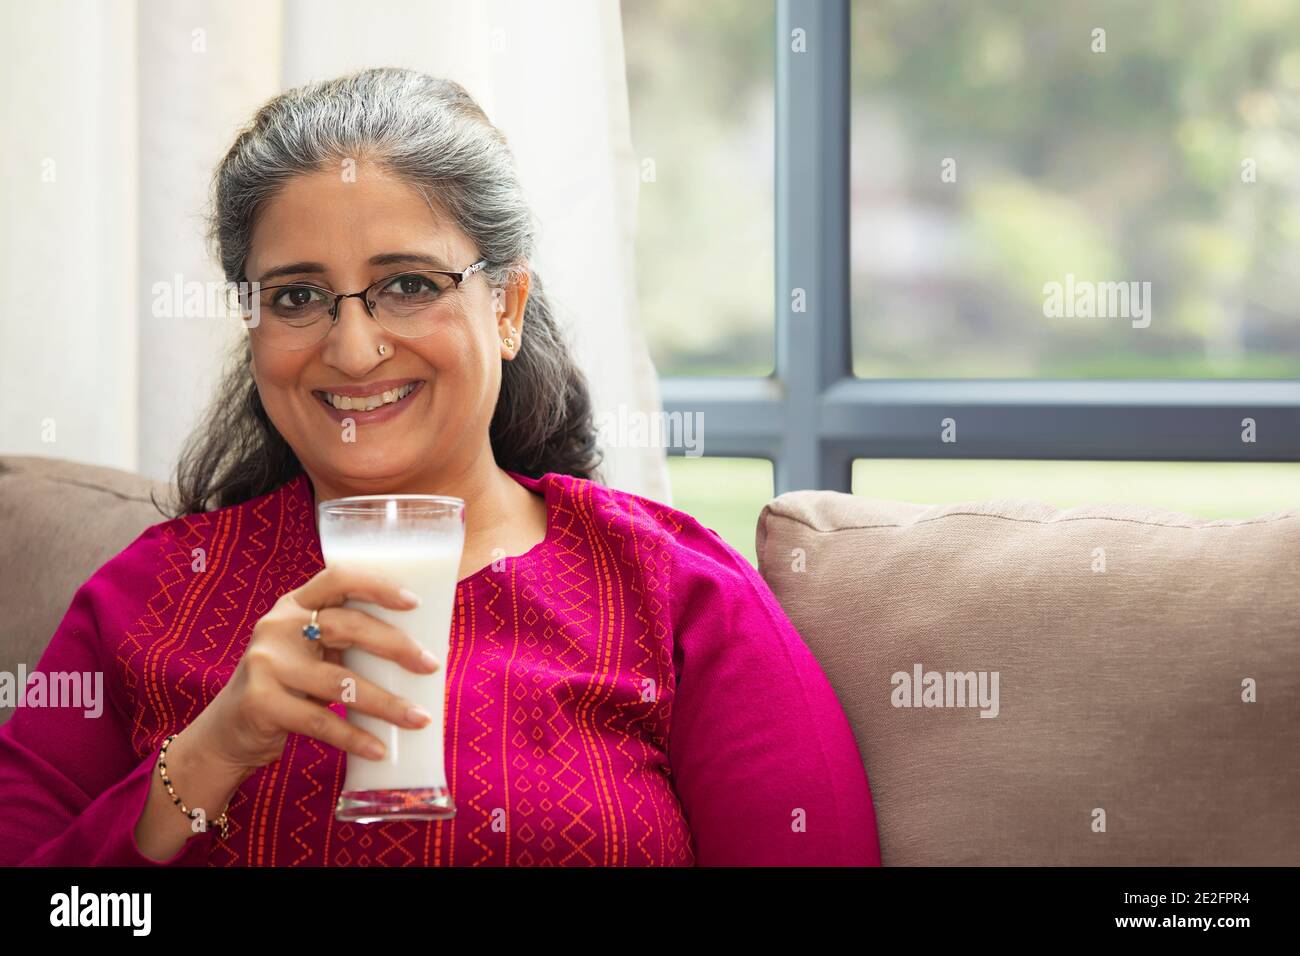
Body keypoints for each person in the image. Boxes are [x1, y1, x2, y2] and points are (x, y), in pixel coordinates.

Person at [0, 67, 880, 867]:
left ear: (506, 306)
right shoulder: (146, 598)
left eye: (409, 284)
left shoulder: (673, 594)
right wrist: (206, 756)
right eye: (298, 297)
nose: (352, 348)